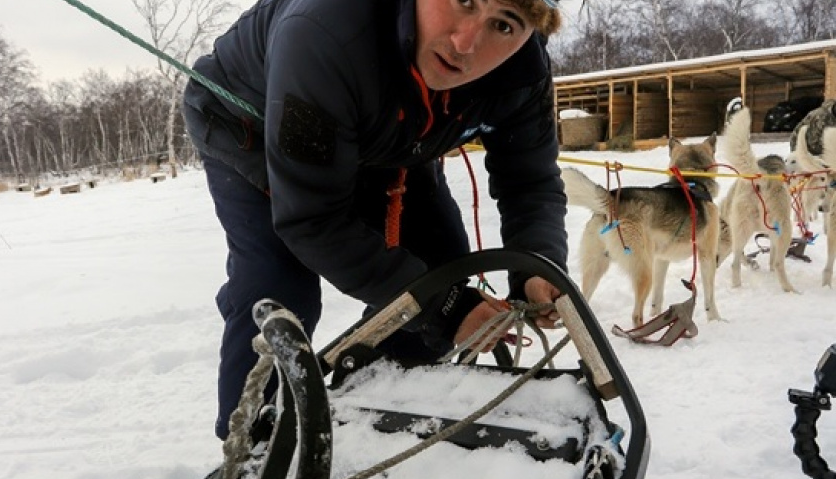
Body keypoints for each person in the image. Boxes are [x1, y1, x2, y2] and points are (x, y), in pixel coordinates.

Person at [183, 0, 569, 440]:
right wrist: (446, 308)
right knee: (279, 289)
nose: (465, 43)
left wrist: (537, 264)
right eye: (464, 2)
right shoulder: (324, 32)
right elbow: (313, 220)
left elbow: (531, 181)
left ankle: (383, 409)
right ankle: (251, 444)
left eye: (503, 24)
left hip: (386, 136)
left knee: (442, 264)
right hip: (249, 125)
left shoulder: (520, 73)